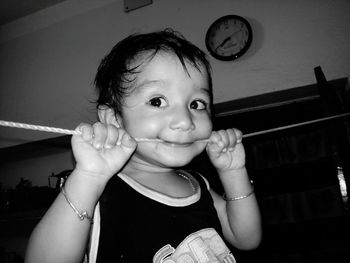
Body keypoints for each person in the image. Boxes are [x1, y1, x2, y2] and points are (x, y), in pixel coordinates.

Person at [25, 28, 261, 263]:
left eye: (197, 104)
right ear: (114, 119)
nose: (185, 121)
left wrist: (233, 172)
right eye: (157, 101)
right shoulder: (100, 190)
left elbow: (247, 239)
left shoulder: (198, 185)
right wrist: (89, 176)